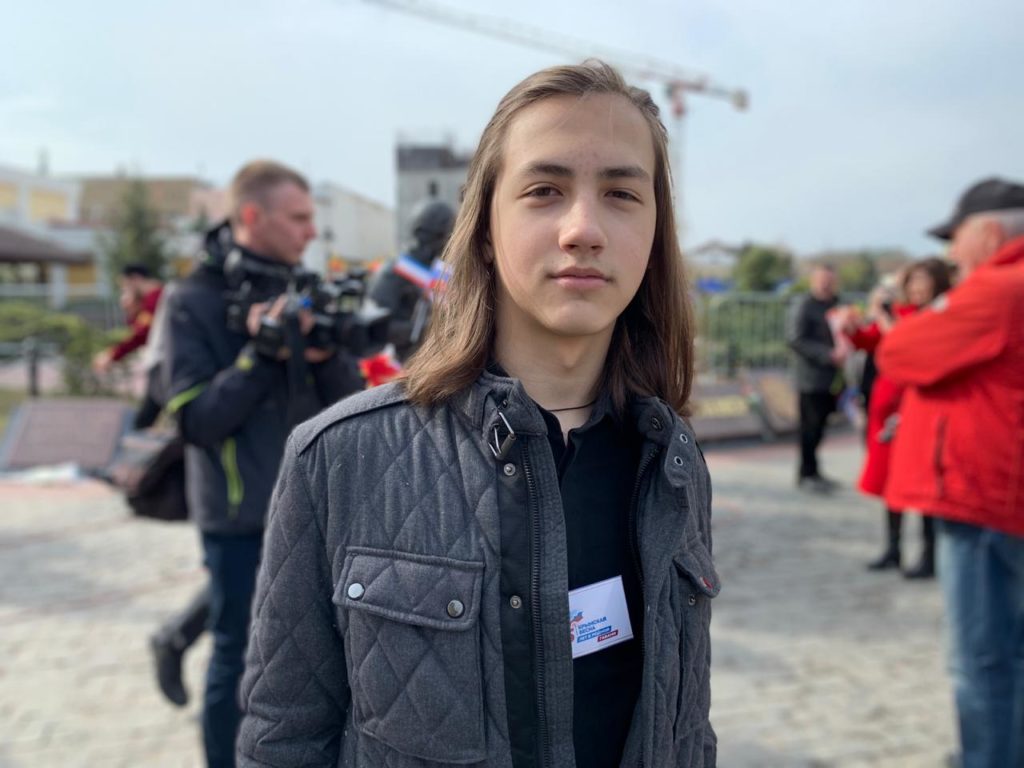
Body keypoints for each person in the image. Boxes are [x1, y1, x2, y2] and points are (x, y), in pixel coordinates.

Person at [238, 61, 718, 768]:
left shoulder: (672, 461)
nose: (583, 229)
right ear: (486, 226)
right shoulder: (336, 459)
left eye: (621, 193)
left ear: (654, 231)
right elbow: (284, 736)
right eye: (545, 191)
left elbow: (688, 730)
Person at [161, 159, 364, 768]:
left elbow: (349, 403)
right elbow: (194, 420)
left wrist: (323, 352)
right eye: (298, 218)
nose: (311, 231)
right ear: (252, 216)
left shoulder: (300, 289)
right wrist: (260, 354)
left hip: (314, 505)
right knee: (239, 654)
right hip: (239, 512)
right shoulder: (193, 298)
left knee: (314, 655)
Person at [877, 177, 1024, 768]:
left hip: (985, 496)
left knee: (982, 656)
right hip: (1002, 493)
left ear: (987, 233)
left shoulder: (999, 289)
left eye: (955, 239)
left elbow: (900, 352)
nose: (951, 254)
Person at [844, 259, 952, 577]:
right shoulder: (901, 313)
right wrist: (851, 327)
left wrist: (885, 321)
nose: (916, 288)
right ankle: (893, 548)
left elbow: (905, 344)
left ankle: (930, 555)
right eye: (912, 281)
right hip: (887, 409)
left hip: (920, 409)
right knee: (890, 479)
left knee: (924, 482)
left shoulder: (942, 314)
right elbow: (868, 340)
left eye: (922, 281)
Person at [367, 198, 455, 362]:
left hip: (438, 362)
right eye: (442, 236)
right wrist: (425, 329)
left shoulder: (440, 272)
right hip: (400, 363)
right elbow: (375, 328)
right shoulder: (394, 271)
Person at [786, 263, 844, 492]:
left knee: (821, 425)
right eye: (822, 280)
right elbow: (795, 339)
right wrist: (826, 354)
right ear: (813, 281)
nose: (826, 285)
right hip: (810, 378)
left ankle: (814, 470)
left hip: (833, 378)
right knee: (810, 427)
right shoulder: (803, 305)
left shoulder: (837, 304)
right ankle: (806, 473)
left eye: (829, 280)